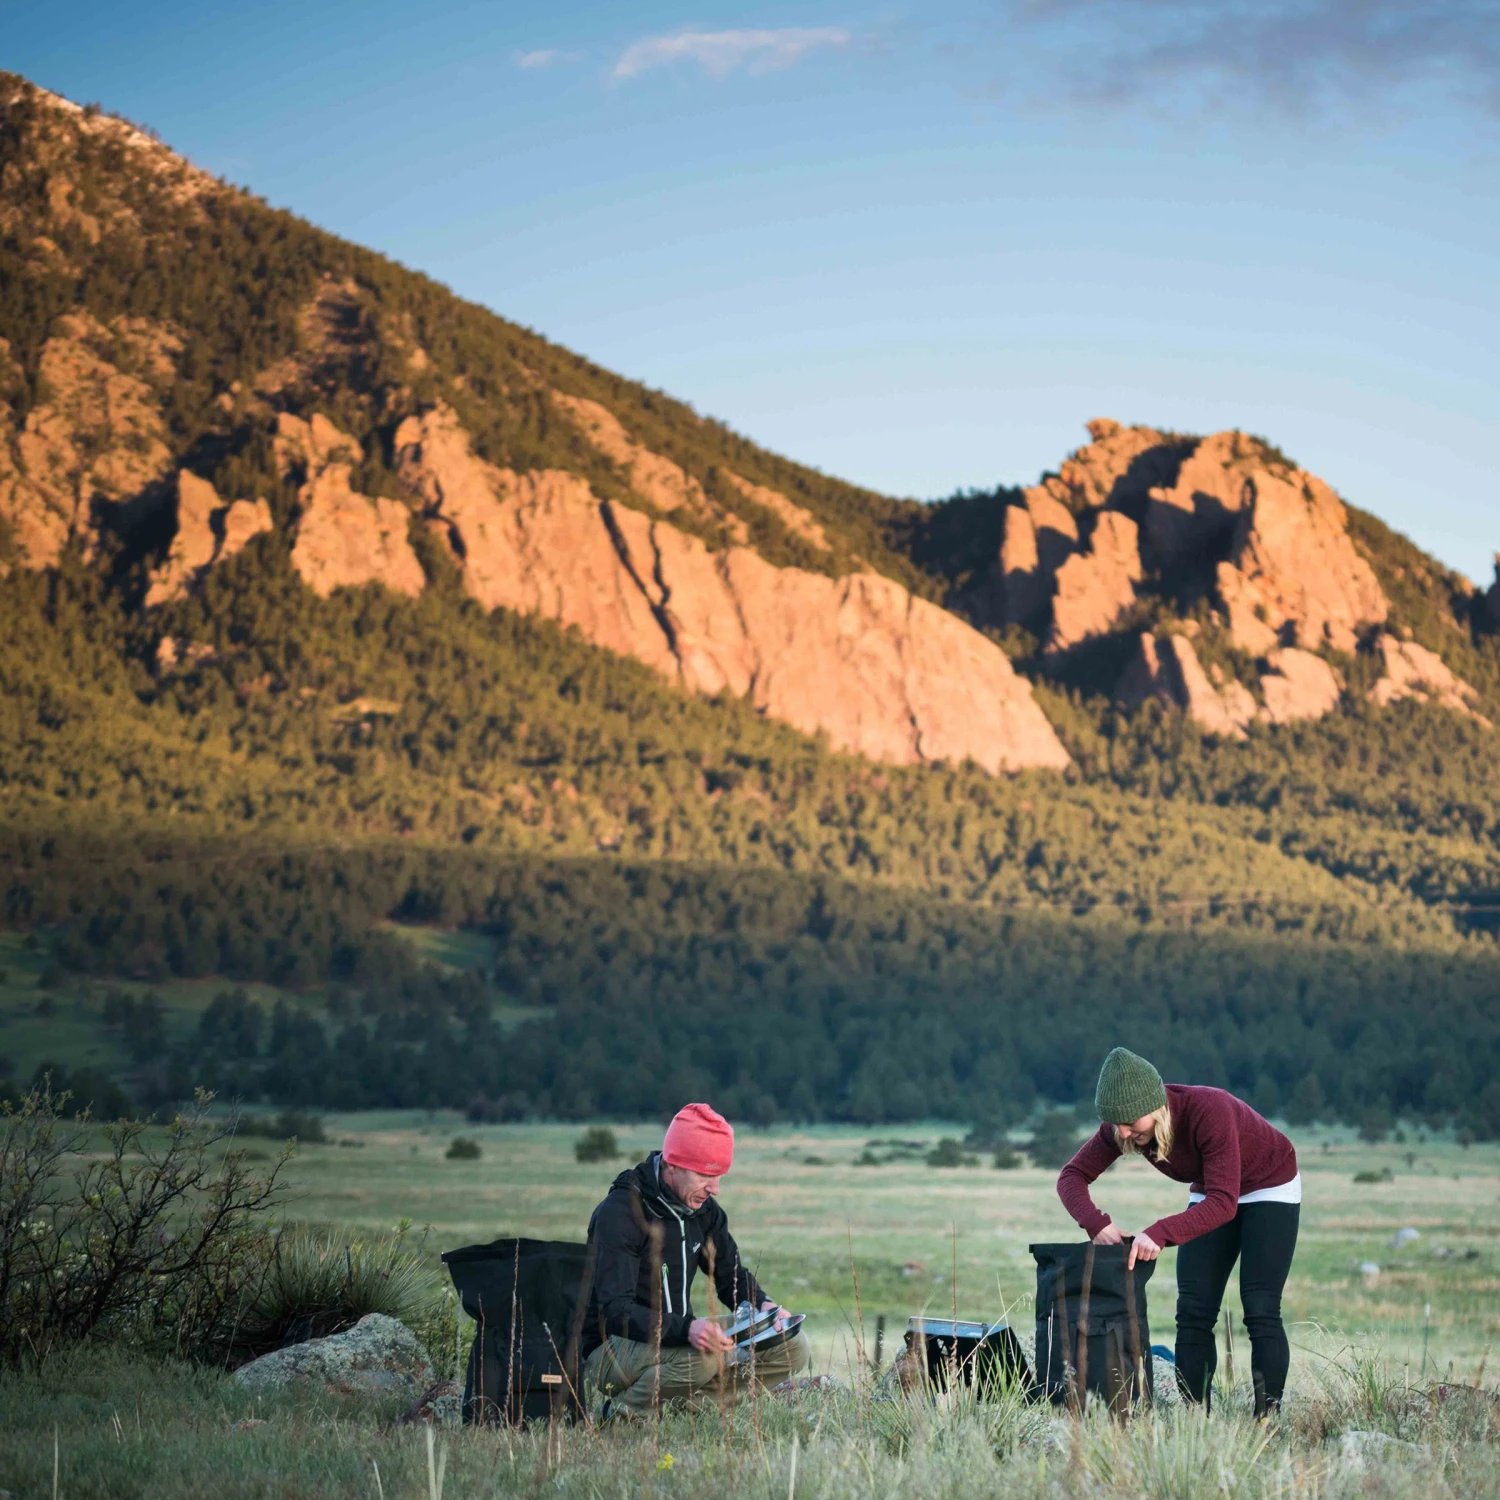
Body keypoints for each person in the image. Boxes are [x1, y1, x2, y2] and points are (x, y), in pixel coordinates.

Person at [1056, 1047, 1301, 1415]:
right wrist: (1097, 1223)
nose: (1123, 1132)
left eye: (1130, 1123)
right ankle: (1195, 1418)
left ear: (1156, 1107)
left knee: (1260, 1307)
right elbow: (1071, 1176)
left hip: (1270, 1184)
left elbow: (1224, 1203)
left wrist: (1160, 1233)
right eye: (1114, 1123)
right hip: (1214, 1188)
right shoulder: (1122, 1127)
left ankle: (1267, 1418)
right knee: (1193, 1310)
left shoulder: (1210, 1111)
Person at [580, 1102, 810, 1415]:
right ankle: (619, 1415)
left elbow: (729, 1277)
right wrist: (687, 1329)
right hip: (610, 1351)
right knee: (705, 1356)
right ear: (673, 1165)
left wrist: (765, 1308)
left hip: (676, 1343)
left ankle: (685, 1410)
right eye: (704, 1174)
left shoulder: (703, 1210)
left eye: (719, 1176)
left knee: (793, 1347)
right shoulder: (620, 1213)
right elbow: (616, 1310)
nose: (714, 1188)